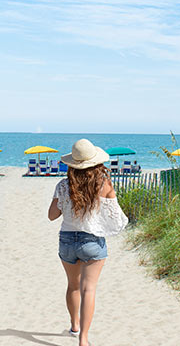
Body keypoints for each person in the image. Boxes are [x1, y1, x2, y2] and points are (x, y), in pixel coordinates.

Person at [48, 139, 128, 346]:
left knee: (73, 286)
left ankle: (74, 325)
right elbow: (116, 216)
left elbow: (52, 215)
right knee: (88, 289)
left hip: (67, 240)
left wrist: (66, 203)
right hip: (92, 241)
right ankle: (83, 339)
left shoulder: (63, 185)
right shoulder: (104, 184)